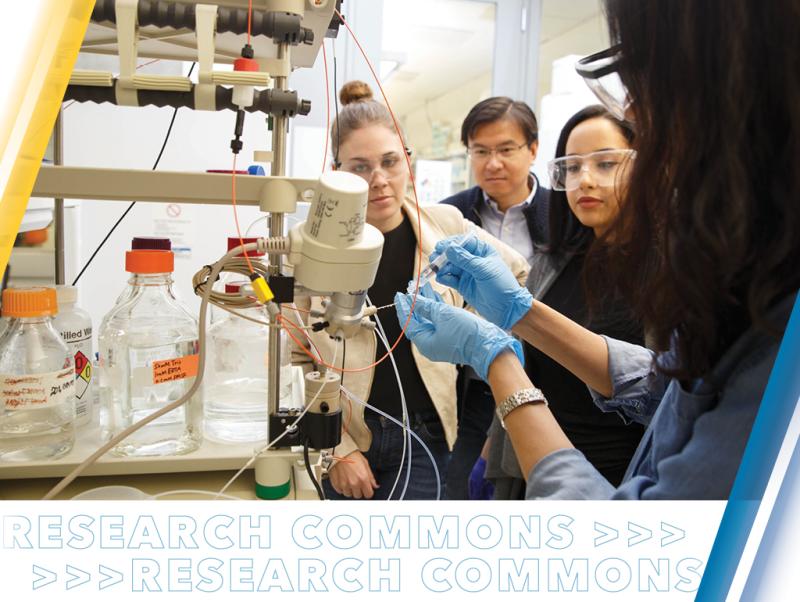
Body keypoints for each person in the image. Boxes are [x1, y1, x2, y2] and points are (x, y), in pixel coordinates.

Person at [394, 0, 799, 500]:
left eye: (609, 162)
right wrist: (521, 315)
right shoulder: (744, 275)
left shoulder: (768, 327)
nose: (638, 118)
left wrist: (496, 360)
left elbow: (632, 546)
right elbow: (667, 386)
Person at [297, 81, 529, 500]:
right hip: (345, 434)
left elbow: (517, 277)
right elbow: (290, 359)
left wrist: (479, 331)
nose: (379, 180)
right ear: (337, 172)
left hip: (426, 435)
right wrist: (337, 449)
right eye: (360, 167)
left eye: (390, 162)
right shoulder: (309, 248)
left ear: (408, 162)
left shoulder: (446, 225)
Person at [482, 105, 645, 499]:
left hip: (627, 482)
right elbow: (526, 369)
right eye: (572, 168)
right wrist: (492, 448)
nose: (584, 180)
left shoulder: (670, 272)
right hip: (538, 467)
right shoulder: (551, 263)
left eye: (606, 164)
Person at [438, 97, 549, 499]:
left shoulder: (563, 215)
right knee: (465, 490)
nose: (493, 163)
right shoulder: (450, 215)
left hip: (544, 382)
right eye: (481, 151)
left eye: (506, 149)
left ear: (533, 149)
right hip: (474, 389)